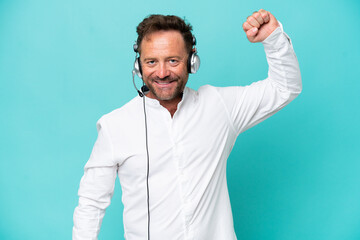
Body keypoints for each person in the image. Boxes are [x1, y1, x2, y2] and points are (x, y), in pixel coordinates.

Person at [73, 9, 302, 240]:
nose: (162, 73)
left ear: (192, 60)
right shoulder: (114, 126)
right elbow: (91, 204)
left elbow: (285, 88)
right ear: (138, 65)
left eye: (173, 60)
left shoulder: (219, 106)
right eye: (151, 62)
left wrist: (273, 39)